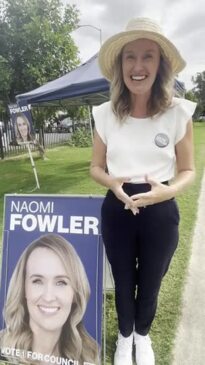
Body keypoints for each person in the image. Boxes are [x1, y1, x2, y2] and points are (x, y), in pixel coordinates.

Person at [90, 17, 196, 365]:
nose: (138, 66)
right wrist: (113, 183)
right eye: (129, 57)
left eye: (148, 56)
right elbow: (95, 167)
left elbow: (188, 171)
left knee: (150, 281)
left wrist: (164, 193)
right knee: (123, 280)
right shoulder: (104, 114)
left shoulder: (178, 113)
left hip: (161, 210)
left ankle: (142, 336)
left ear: (160, 64)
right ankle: (124, 339)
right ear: (120, 66)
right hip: (117, 207)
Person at [0, 234, 99, 365]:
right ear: (23, 289)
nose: (48, 297)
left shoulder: (89, 356)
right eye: (37, 281)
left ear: (75, 293)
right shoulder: (3, 345)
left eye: (61, 282)